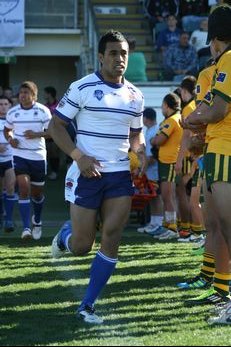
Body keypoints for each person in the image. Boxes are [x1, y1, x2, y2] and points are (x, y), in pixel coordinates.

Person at [49, 30, 147, 325]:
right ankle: (66, 236)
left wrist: (139, 151)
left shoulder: (135, 95)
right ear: (101, 56)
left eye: (124, 53)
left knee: (113, 236)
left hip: (118, 175)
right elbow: (56, 126)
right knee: (81, 246)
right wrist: (79, 157)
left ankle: (87, 305)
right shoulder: (82, 87)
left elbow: (136, 132)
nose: (120, 59)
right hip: (86, 173)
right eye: (114, 53)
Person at [181, 5, 231, 324]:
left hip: (225, 149)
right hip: (217, 149)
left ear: (214, 38)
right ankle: (221, 289)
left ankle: (222, 289)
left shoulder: (227, 60)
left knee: (226, 226)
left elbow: (216, 111)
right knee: (221, 227)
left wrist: (191, 121)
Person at [4, 81, 52, 240]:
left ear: (34, 95)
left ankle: (37, 221)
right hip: (19, 155)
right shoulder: (13, 112)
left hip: (38, 156)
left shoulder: (43, 111)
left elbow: (52, 132)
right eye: (21, 93)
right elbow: (7, 130)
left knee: (37, 194)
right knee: (23, 188)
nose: (22, 95)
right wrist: (10, 140)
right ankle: (26, 228)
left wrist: (37, 134)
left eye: (26, 92)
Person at [150, 92, 183, 240]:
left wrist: (153, 140)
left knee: (167, 196)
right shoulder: (171, 119)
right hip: (166, 161)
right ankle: (168, 225)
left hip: (170, 161)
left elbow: (159, 140)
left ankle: (172, 227)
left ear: (167, 106)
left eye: (162, 106)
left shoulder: (172, 120)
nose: (162, 109)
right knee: (167, 196)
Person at [137, 107, 163, 234]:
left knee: (157, 198)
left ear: (146, 118)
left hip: (155, 171)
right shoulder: (149, 131)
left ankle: (159, 223)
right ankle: (153, 222)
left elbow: (152, 156)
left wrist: (142, 169)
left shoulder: (154, 132)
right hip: (150, 172)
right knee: (152, 198)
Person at [0, 96, 16, 232]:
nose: (3, 106)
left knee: (10, 188)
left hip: (10, 158)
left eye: (6, 104)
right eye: (1, 104)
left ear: (10, 105)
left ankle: (9, 220)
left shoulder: (14, 120)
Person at [44, 86, 60, 180]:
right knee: (49, 152)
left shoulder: (59, 105)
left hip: (57, 132)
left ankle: (55, 171)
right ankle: (51, 171)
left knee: (54, 152)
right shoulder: (44, 106)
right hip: (47, 132)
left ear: (49, 94)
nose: (44, 95)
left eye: (45, 93)